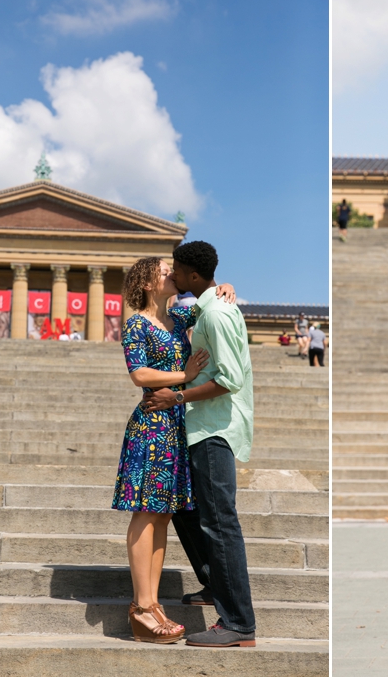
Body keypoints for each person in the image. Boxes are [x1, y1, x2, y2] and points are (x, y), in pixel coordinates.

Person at [112, 256, 236, 644]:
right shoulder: (136, 323)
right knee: (146, 513)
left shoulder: (182, 317)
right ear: (147, 283)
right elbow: (139, 374)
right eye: (164, 269)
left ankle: (151, 604)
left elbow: (212, 299)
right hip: (152, 424)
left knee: (163, 516)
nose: (172, 272)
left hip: (177, 423)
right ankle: (142, 606)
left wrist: (225, 288)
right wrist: (184, 376)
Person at [143, 241, 257, 648]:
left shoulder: (218, 314)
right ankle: (214, 583)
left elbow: (229, 380)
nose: (171, 275)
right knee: (189, 514)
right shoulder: (206, 307)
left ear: (193, 276)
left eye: (176, 269)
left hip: (214, 429)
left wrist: (177, 396)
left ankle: (239, 623)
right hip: (200, 426)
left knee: (220, 523)